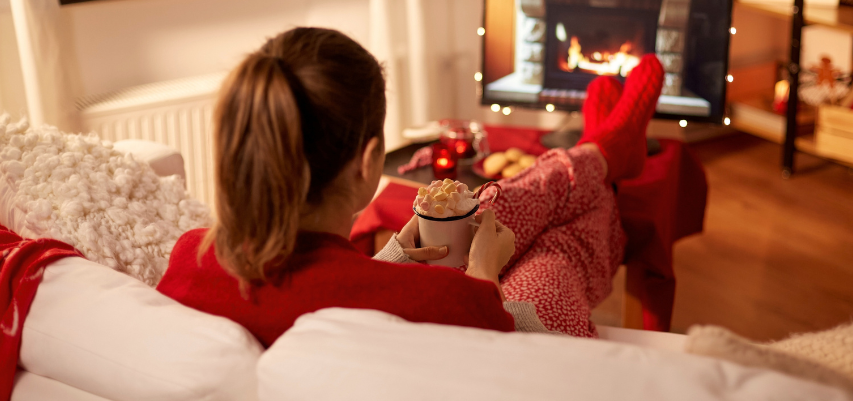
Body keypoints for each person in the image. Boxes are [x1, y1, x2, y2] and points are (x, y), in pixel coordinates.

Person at [157, 27, 663, 345]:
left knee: (497, 212)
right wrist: (483, 270)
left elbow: (326, 289)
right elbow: (518, 352)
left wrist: (398, 251)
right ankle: (601, 157)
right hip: (536, 350)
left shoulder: (188, 261)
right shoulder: (438, 299)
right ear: (369, 160)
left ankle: (600, 155)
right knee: (555, 249)